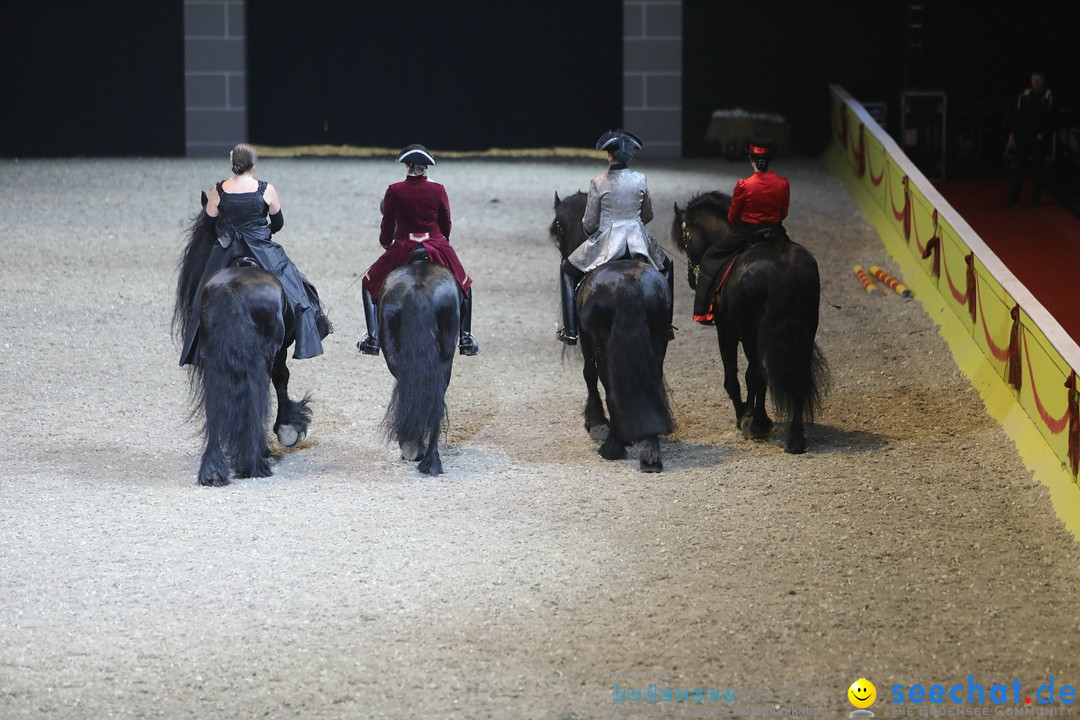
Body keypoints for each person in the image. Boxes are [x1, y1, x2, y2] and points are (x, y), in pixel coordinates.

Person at [179, 143, 331, 366]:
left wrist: (226, 234)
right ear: (254, 165)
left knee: (200, 298)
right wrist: (263, 232)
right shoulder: (266, 189)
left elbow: (209, 224)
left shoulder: (218, 189)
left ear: (233, 163)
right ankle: (310, 331)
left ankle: (196, 346)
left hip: (227, 249)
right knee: (297, 290)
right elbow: (278, 222)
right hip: (260, 248)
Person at [357, 144, 479, 357]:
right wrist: (443, 241)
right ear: (425, 168)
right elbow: (446, 221)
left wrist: (386, 242)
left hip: (404, 246)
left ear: (407, 166)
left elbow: (387, 223)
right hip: (434, 244)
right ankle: (466, 338)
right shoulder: (438, 189)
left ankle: (373, 339)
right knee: (464, 284)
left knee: (368, 283)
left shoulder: (394, 190)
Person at [556, 129, 675, 345]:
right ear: (629, 156)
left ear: (609, 155)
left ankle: (571, 330)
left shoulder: (599, 181)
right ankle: (666, 325)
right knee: (667, 268)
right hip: (638, 240)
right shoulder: (640, 178)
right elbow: (647, 214)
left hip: (607, 242)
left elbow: (590, 221)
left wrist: (592, 232)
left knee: (567, 269)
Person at [693, 139, 790, 325]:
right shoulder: (783, 183)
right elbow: (783, 213)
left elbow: (733, 216)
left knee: (709, 259)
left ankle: (703, 311)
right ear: (768, 160)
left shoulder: (744, 185)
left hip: (747, 232)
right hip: (775, 230)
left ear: (750, 159)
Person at [1004, 69, 1056, 207]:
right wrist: (1013, 135)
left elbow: (1053, 119)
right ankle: (1014, 198)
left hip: (1039, 138)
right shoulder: (1024, 95)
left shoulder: (1049, 96)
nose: (1036, 83)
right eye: (1034, 80)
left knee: (1038, 168)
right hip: (1023, 137)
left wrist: (1043, 135)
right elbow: (1017, 116)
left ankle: (1035, 198)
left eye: (1039, 80)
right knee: (1019, 168)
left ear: (1043, 81)